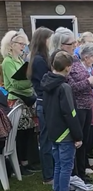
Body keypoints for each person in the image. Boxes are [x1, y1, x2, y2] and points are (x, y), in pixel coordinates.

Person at [41, 50, 83, 191]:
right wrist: (77, 136)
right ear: (67, 67)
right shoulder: (64, 87)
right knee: (66, 167)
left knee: (58, 165)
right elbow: (70, 113)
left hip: (53, 132)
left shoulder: (46, 83)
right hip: (66, 134)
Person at [1, 30, 40, 176]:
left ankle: (26, 162)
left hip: (27, 99)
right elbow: (15, 83)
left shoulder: (20, 60)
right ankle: (17, 165)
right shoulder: (8, 61)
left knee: (29, 133)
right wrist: (31, 82)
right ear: (11, 44)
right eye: (20, 43)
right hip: (17, 100)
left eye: (25, 44)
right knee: (20, 134)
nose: (23, 46)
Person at [67, 42, 93, 183]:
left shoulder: (87, 67)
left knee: (85, 140)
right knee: (78, 141)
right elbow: (73, 87)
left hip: (88, 106)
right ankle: (77, 173)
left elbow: (85, 84)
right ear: (86, 57)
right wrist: (91, 81)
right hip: (79, 107)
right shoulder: (75, 67)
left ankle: (82, 172)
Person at [27, 27, 54, 184]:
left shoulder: (41, 58)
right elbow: (46, 83)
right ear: (44, 40)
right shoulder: (38, 60)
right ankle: (48, 175)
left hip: (45, 103)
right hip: (44, 104)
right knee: (46, 140)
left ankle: (50, 171)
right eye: (50, 39)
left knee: (48, 139)